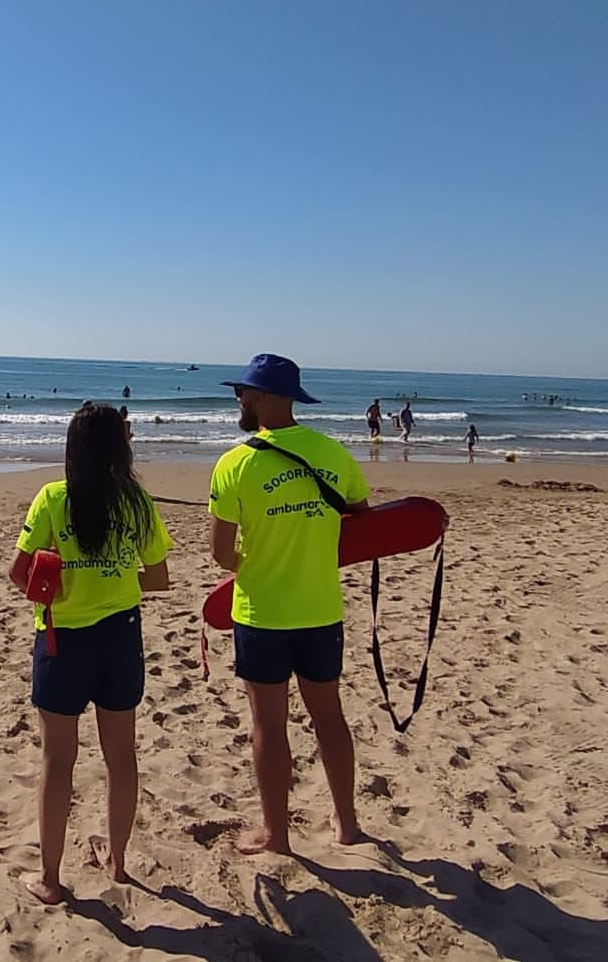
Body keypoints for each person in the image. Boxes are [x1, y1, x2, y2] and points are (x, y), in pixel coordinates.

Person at [7, 401, 172, 903]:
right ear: (120, 448)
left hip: (64, 638)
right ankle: (119, 864)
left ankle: (51, 880)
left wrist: (64, 584)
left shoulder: (54, 499)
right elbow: (160, 579)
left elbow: (19, 574)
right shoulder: (137, 503)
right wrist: (114, 574)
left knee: (58, 760)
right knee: (121, 755)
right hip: (120, 634)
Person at [209, 354, 370, 855]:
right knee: (330, 718)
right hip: (321, 609)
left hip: (262, 614)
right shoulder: (333, 453)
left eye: (242, 392)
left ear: (260, 398)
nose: (237, 399)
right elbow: (364, 528)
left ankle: (277, 836)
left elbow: (219, 554)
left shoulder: (236, 463)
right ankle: (347, 825)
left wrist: (264, 564)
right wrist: (310, 553)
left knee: (269, 726)